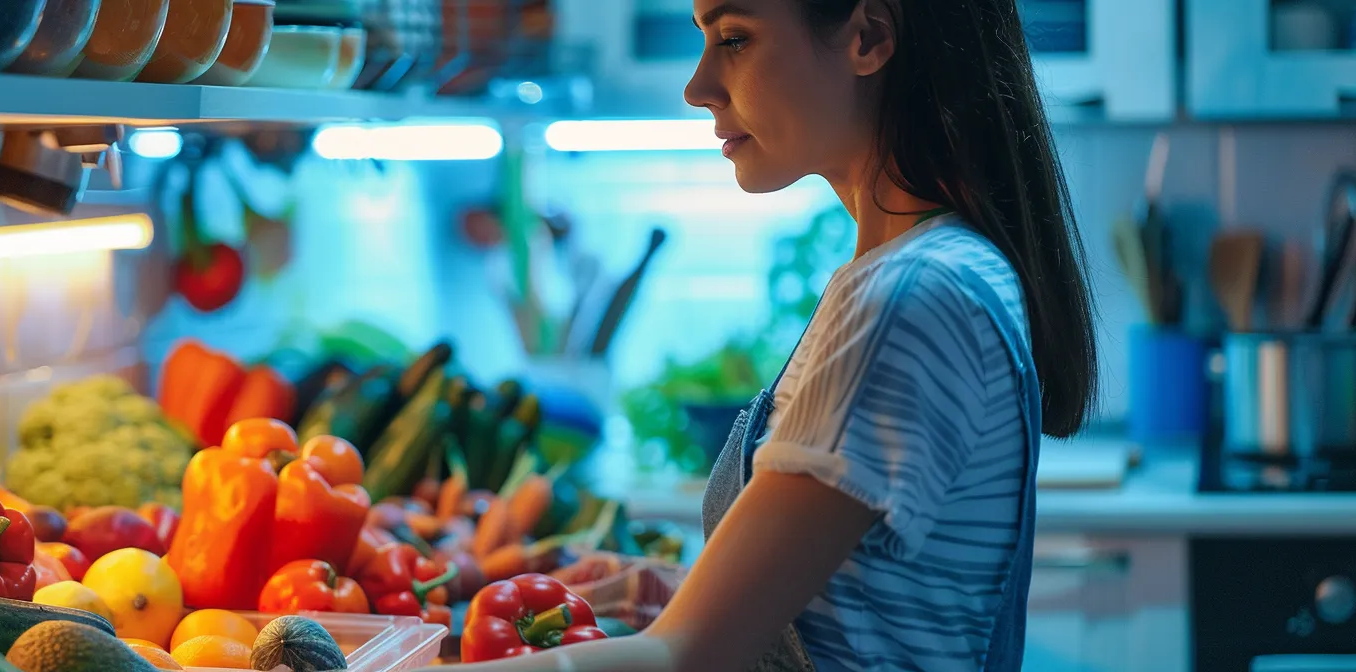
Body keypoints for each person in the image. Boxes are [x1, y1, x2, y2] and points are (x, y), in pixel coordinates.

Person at [448, 0, 1097, 670]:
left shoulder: (909, 295)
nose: (696, 87)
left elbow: (683, 658)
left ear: (869, 37)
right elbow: (857, 612)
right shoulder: (924, 272)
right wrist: (668, 593)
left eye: (734, 38)